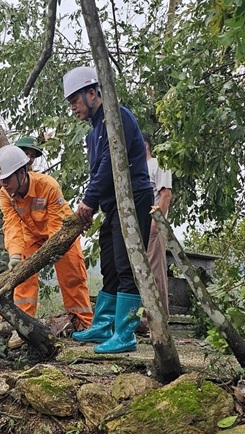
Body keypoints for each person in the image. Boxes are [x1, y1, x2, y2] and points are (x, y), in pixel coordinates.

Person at [63, 66, 153, 354]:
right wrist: (94, 203)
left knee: (128, 265)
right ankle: (104, 324)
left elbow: (109, 166)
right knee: (110, 265)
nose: (74, 108)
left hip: (133, 198)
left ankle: (126, 332)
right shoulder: (94, 133)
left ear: (92, 93)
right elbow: (97, 172)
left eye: (75, 101)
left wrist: (88, 201)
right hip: (112, 205)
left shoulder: (117, 118)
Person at [0, 144, 93, 348]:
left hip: (62, 232)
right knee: (22, 276)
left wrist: (57, 247)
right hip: (31, 235)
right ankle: (22, 328)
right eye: (0, 179)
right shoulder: (5, 194)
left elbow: (57, 223)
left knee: (72, 275)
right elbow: (12, 225)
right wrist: (14, 254)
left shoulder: (47, 185)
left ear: (22, 172)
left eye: (7, 179)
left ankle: (84, 324)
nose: (3, 184)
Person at [0, 136, 45, 279]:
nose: (30, 158)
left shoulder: (30, 175)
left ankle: (12, 300)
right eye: (26, 154)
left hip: (20, 229)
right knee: (0, 267)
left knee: (19, 269)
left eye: (32, 156)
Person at [145, 137, 173, 316]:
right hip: (139, 226)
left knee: (155, 272)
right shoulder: (134, 168)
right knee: (141, 271)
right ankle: (141, 317)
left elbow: (166, 195)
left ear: (145, 145)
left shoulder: (158, 164)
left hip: (154, 226)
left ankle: (159, 318)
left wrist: (156, 224)